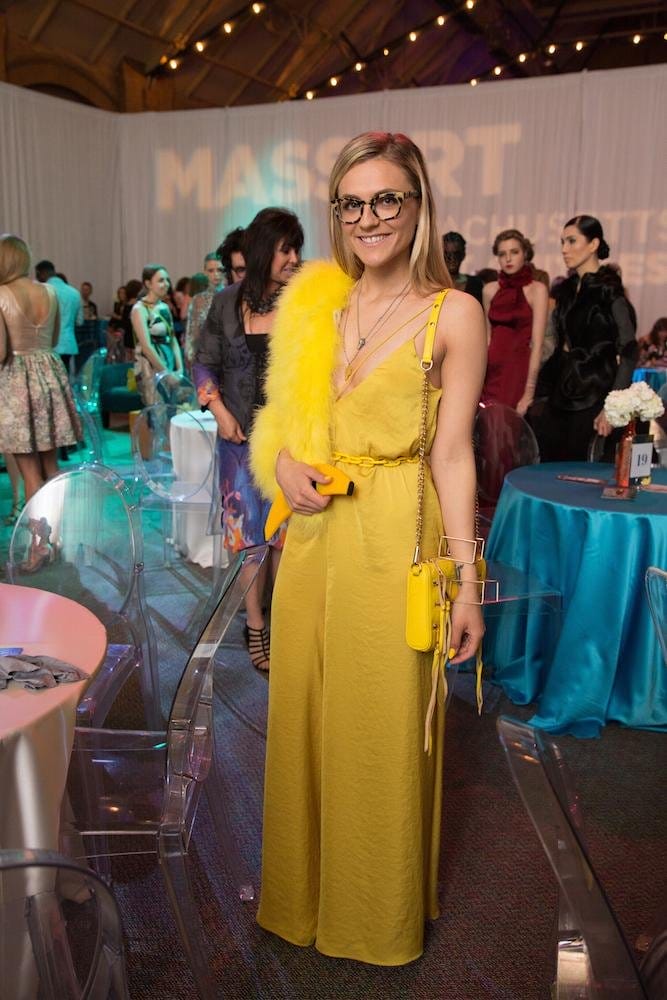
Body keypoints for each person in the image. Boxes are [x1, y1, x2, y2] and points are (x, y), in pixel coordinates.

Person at [249, 132, 486, 964]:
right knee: (305, 715)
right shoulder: (317, 305)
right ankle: (300, 900)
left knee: (381, 730)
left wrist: (465, 585)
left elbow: (453, 455)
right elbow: (285, 425)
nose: (368, 219)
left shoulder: (453, 313)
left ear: (417, 206)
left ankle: (371, 917)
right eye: (352, 204)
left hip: (397, 536)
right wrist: (282, 463)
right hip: (312, 544)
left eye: (386, 199)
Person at [193, 209, 303, 672]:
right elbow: (202, 362)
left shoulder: (303, 303)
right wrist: (217, 410)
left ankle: (280, 623)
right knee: (247, 542)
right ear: (263, 252)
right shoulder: (225, 302)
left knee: (283, 539)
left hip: (288, 447)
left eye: (298, 248)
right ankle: (255, 624)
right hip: (238, 446)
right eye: (286, 249)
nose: (295, 258)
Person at [534, 214, 637, 461]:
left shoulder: (609, 290)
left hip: (596, 391)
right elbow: (557, 344)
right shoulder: (566, 291)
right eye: (561, 242)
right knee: (549, 464)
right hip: (562, 390)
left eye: (571, 241)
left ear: (593, 244)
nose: (564, 249)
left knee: (583, 471)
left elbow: (630, 350)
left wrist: (612, 408)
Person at [0, 234, 81, 505]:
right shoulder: (50, 291)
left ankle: (39, 544)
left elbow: (0, 352)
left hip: (16, 382)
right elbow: (55, 340)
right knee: (52, 466)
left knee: (30, 473)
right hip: (50, 374)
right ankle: (58, 535)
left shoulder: (1, 293)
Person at [481, 228, 547, 415]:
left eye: (514, 252)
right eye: (502, 254)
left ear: (525, 254)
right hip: (490, 370)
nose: (508, 259)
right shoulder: (489, 290)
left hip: (517, 371)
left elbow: (538, 344)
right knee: (487, 432)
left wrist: (529, 391)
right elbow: (487, 338)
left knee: (509, 434)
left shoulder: (537, 290)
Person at [130, 264, 184, 406]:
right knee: (156, 411)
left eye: (167, 280)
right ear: (148, 283)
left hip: (168, 361)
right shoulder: (139, 309)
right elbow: (146, 346)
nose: (166, 284)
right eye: (161, 280)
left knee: (172, 409)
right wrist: (166, 373)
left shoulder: (164, 307)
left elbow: (173, 340)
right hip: (149, 366)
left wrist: (180, 368)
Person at [35, 259, 83, 376]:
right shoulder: (74, 292)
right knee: (64, 379)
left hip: (46, 344)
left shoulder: (40, 290)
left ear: (41, 273)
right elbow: (80, 321)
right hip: (68, 344)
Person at [184, 252, 225, 367]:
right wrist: (191, 358)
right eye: (211, 271)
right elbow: (192, 333)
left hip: (230, 359)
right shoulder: (198, 300)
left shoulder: (234, 295)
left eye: (220, 270)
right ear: (205, 272)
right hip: (206, 359)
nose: (216, 274)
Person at [442, 231, 483, 304]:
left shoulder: (475, 284)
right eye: (447, 255)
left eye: (456, 254)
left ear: (463, 255)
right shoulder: (431, 284)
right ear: (441, 255)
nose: (452, 259)